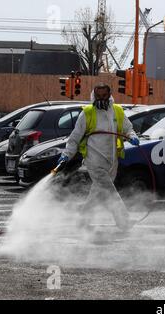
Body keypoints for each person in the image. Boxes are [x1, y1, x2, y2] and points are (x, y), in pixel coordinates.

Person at [58, 83, 140, 231]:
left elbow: (128, 128)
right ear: (93, 95)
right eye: (98, 96)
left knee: (98, 192)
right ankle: (123, 221)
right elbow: (75, 137)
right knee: (110, 190)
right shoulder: (88, 112)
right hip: (94, 160)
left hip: (112, 160)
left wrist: (132, 136)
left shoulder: (117, 111)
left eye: (104, 95)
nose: (101, 98)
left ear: (110, 95)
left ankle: (83, 220)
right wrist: (66, 155)